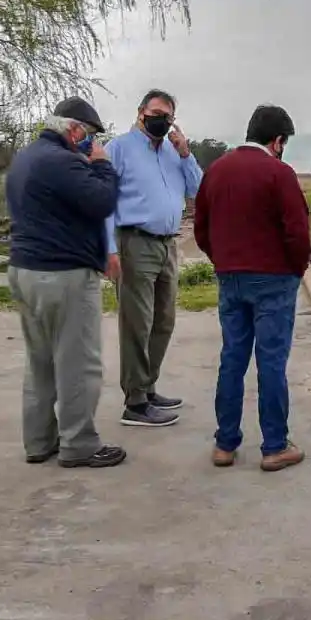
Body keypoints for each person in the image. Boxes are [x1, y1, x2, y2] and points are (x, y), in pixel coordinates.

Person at [4, 97, 126, 469]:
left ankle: (39, 441)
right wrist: (103, 165)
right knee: (78, 363)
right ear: (74, 130)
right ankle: (79, 444)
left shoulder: (25, 158)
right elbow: (103, 201)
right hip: (63, 275)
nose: (92, 143)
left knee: (40, 361)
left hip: (25, 270)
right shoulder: (63, 161)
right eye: (89, 136)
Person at [193, 104, 311, 472]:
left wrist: (222, 260)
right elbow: (297, 231)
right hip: (274, 280)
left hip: (231, 278)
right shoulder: (280, 173)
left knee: (232, 358)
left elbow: (201, 228)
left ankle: (225, 444)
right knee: (271, 361)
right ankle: (274, 446)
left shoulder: (215, 171)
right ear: (277, 141)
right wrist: (296, 269)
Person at [103, 89, 204, 427]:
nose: (162, 120)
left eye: (169, 116)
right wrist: (108, 248)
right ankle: (134, 402)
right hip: (134, 242)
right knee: (137, 323)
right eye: (157, 113)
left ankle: (148, 388)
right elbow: (103, 200)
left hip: (167, 244)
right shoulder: (119, 149)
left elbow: (198, 190)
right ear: (141, 112)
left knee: (163, 320)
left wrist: (186, 153)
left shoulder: (174, 153)